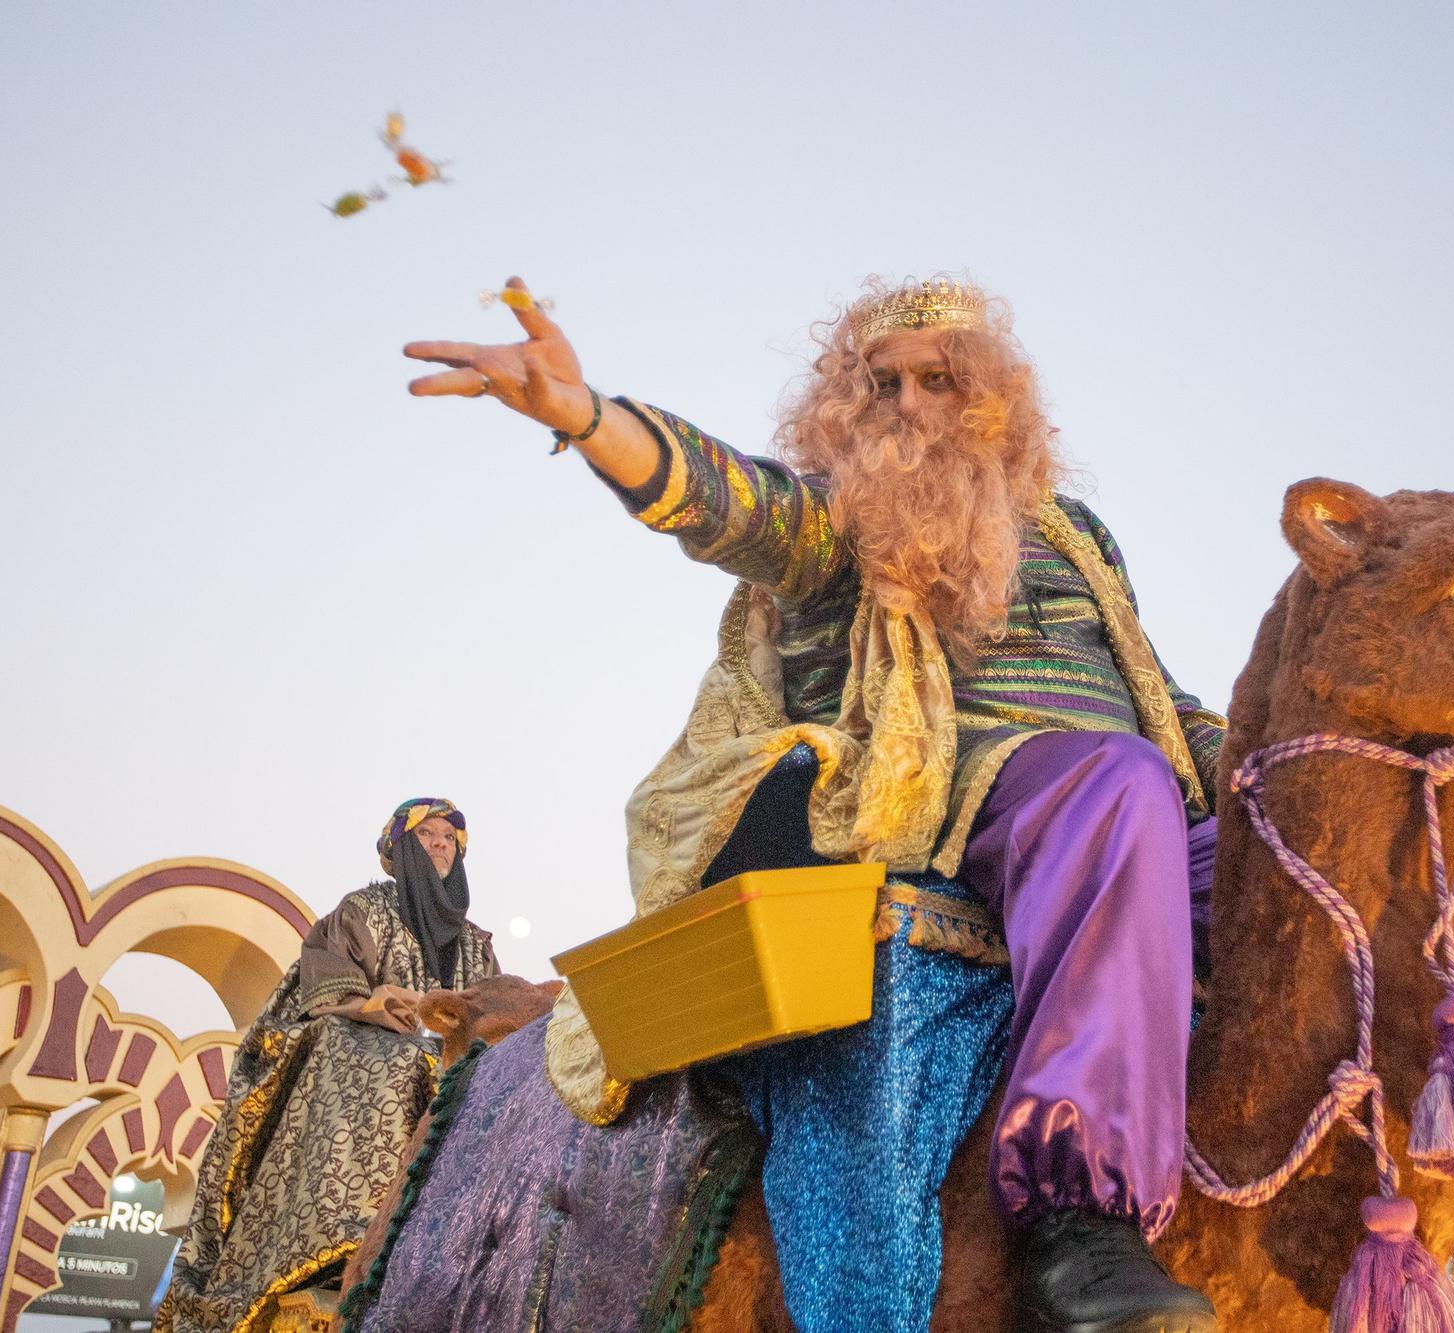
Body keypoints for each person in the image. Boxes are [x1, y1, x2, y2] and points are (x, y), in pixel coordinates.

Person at [406, 277, 1224, 1331]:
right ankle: (1079, 1224)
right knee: (1113, 785)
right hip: (938, 793)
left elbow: (1159, 697)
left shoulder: (1075, 537)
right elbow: (725, 502)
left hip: (1137, 799)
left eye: (939, 379)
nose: (911, 403)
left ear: (990, 400)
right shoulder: (837, 518)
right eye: (880, 385)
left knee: (1310, 876)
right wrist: (588, 419)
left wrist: (1282, 774)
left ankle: (1385, 1252)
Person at [154, 798, 500, 1333]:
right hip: (365, 1042)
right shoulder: (365, 911)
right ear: (401, 848)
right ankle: (347, 1236)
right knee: (385, 1059)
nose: (439, 843)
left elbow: (489, 1014)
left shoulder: (475, 945)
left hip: (444, 1056)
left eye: (449, 838)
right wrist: (379, 1002)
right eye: (427, 834)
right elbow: (328, 993)